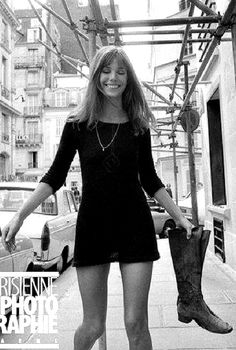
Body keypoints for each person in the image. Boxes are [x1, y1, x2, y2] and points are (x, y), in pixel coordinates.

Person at [2, 46, 192, 350]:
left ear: (129, 78)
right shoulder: (77, 125)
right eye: (106, 70)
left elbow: (151, 179)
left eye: (120, 71)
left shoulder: (138, 125)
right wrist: (20, 215)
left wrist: (180, 217)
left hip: (135, 228)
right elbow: (54, 177)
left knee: (136, 324)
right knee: (92, 326)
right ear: (95, 76)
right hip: (93, 229)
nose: (113, 78)